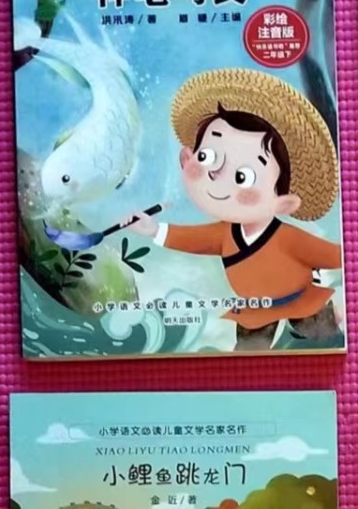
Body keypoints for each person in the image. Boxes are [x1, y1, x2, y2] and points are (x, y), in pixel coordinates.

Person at [125, 67, 341, 348]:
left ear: (284, 202)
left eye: (243, 176)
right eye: (206, 156)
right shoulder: (224, 234)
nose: (218, 177)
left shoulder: (288, 239)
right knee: (249, 354)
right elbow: (193, 239)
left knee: (324, 343)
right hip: (254, 310)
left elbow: (336, 255)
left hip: (304, 302)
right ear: (187, 157)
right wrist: (153, 229)